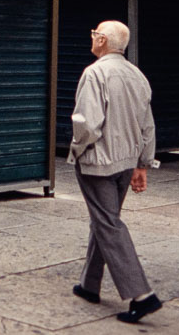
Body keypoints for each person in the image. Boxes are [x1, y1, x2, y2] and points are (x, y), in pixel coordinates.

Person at [68, 20, 162, 324]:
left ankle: (141, 295)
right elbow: (148, 126)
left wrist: (76, 149)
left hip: (99, 163)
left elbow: (87, 124)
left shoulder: (94, 73)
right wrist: (142, 165)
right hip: (125, 163)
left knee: (108, 223)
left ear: (103, 41)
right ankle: (89, 284)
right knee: (105, 219)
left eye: (95, 33)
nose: (93, 37)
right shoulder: (138, 75)